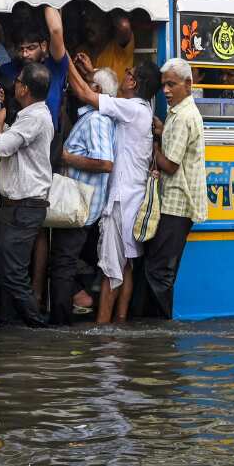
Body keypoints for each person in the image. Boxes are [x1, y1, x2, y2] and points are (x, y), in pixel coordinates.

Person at [68, 59, 161, 324]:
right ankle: (119, 324)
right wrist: (89, 73)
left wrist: (63, 59)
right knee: (126, 267)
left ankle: (103, 331)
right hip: (134, 200)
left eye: (128, 73)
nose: (124, 76)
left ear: (133, 82)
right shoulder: (142, 109)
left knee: (112, 270)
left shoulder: (131, 109)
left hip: (121, 202)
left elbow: (86, 94)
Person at [138, 59, 207, 319]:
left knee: (159, 273)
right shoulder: (180, 113)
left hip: (176, 204)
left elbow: (170, 165)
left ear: (188, 84)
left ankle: (160, 333)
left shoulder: (183, 116)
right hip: (175, 204)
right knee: (159, 269)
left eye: (171, 84)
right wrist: (162, 131)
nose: (165, 90)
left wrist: (153, 147)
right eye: (164, 84)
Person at [49, 68, 117, 325]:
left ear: (97, 91)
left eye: (88, 84)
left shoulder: (97, 120)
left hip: (80, 206)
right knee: (65, 262)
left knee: (63, 264)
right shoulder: (90, 118)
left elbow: (104, 162)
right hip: (81, 205)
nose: (82, 89)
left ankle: (60, 322)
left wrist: (67, 158)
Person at [0, 63, 53, 328]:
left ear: (24, 88)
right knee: (3, 268)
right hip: (16, 206)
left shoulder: (35, 118)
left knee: (13, 272)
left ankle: (38, 328)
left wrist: (0, 123)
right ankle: (6, 323)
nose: (14, 85)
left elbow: (0, 148)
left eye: (17, 82)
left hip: (24, 206)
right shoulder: (32, 114)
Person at [75, 7, 135, 82]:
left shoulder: (118, 48)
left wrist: (106, 3)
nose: (88, 26)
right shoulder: (82, 51)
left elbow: (124, 26)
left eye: (94, 21)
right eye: (87, 21)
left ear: (107, 25)